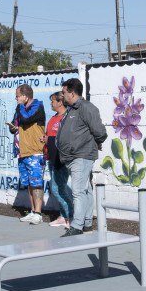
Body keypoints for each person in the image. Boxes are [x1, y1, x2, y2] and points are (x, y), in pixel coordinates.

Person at [56, 78, 107, 236]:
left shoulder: (86, 108)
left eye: (64, 92)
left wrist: (95, 142)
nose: (62, 96)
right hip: (72, 156)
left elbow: (99, 131)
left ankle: (76, 226)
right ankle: (86, 223)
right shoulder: (72, 109)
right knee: (85, 190)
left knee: (78, 191)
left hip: (81, 155)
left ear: (71, 93)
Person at [9, 83, 46, 224]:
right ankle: (32, 211)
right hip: (22, 151)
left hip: (35, 151)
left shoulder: (37, 106)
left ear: (25, 96)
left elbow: (26, 118)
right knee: (29, 183)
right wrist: (13, 127)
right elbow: (16, 123)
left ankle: (38, 212)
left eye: (18, 96)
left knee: (36, 183)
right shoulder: (20, 108)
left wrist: (20, 107)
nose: (16, 99)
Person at [44, 92, 73, 228]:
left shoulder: (66, 118)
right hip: (51, 156)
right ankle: (63, 216)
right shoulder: (53, 118)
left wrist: (50, 140)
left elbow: (65, 139)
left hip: (61, 158)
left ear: (60, 102)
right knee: (59, 187)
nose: (51, 103)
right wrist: (46, 140)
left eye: (52, 101)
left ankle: (70, 217)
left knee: (57, 188)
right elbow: (50, 136)